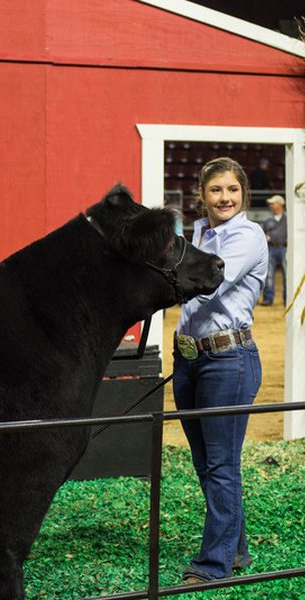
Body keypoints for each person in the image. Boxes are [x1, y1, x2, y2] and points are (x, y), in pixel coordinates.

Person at [173, 157, 268, 584]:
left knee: (221, 465)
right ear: (203, 194)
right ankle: (237, 550)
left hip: (227, 360)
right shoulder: (198, 232)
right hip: (189, 359)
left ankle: (213, 566)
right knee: (204, 462)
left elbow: (209, 282)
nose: (224, 198)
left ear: (243, 194)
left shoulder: (247, 236)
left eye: (232, 189)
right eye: (216, 190)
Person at [260, 195, 287, 306]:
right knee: (269, 275)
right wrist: (264, 237)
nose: (271, 205)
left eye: (273, 203)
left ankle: (287, 298)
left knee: (287, 274)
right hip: (271, 248)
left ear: (279, 205)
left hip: (284, 248)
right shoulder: (267, 220)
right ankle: (268, 298)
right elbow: (261, 233)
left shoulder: (288, 219)